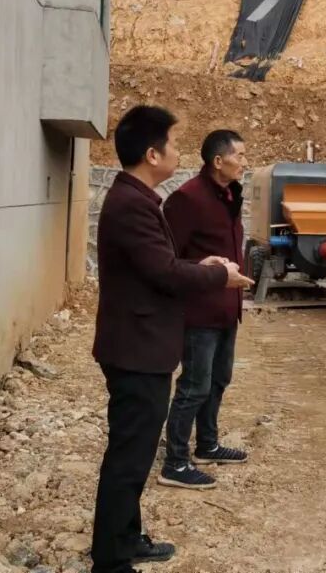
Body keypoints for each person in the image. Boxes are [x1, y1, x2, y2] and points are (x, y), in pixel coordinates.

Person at [90, 106, 252, 572]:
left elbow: (160, 265)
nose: (181, 153)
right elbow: (163, 272)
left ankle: (127, 538)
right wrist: (218, 276)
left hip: (142, 345)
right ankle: (111, 560)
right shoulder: (131, 204)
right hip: (135, 349)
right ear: (152, 153)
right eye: (175, 144)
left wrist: (202, 266)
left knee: (136, 454)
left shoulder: (139, 198)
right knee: (128, 457)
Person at [158, 130, 250, 489]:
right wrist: (205, 269)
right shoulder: (187, 199)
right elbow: (168, 260)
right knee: (194, 386)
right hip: (199, 311)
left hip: (227, 307)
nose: (244, 162)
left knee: (218, 380)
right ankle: (175, 463)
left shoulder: (230, 194)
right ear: (218, 161)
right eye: (239, 156)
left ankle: (207, 445)